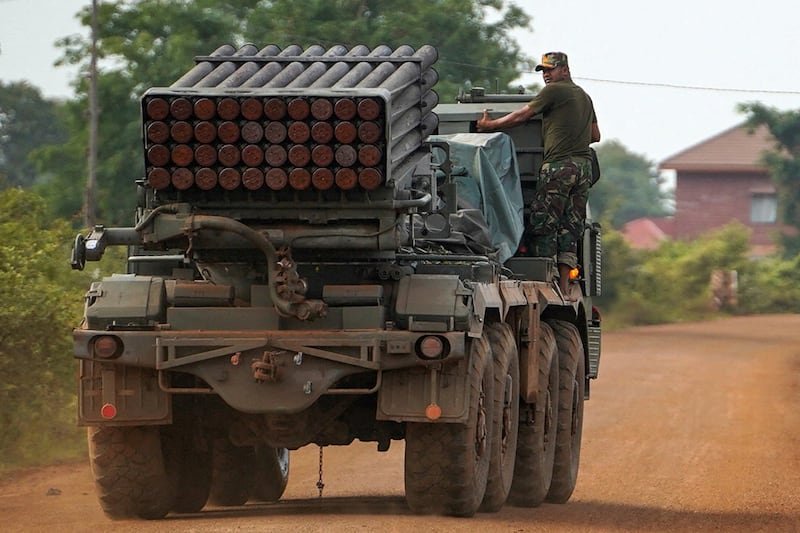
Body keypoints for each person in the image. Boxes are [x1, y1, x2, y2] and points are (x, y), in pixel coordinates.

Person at [476, 51, 600, 298]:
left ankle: (545, 282)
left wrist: (490, 126)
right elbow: (595, 136)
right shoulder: (584, 97)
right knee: (570, 226)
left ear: (564, 70)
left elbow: (523, 115)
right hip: (583, 168)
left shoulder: (554, 91)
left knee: (544, 223)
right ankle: (564, 285)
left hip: (558, 166)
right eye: (543, 71)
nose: (546, 75)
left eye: (550, 69)